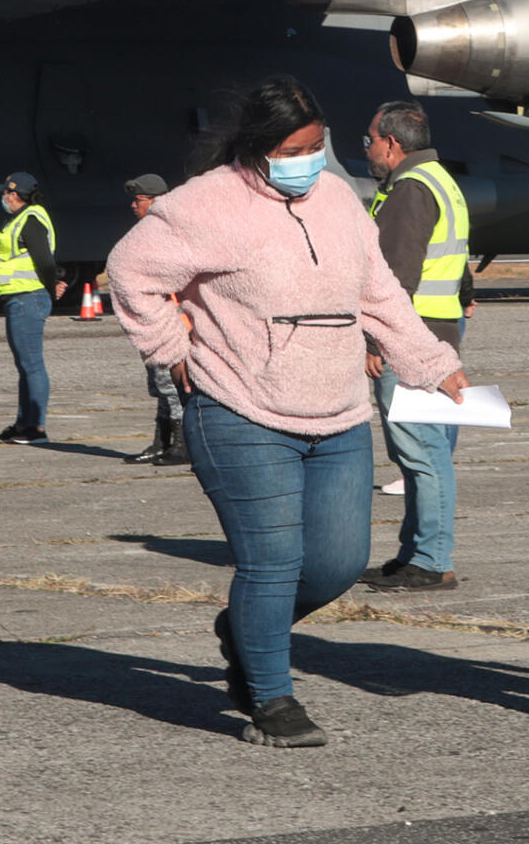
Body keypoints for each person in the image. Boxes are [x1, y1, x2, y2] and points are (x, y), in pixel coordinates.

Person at [106, 76, 467, 748]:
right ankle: (270, 697)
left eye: (318, 146)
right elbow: (130, 271)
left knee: (334, 563)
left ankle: (247, 629)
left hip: (335, 413)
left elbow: (381, 293)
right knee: (271, 560)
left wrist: (432, 362)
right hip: (239, 408)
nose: (310, 159)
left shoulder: (338, 200)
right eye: (296, 149)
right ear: (259, 149)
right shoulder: (206, 204)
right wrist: (170, 348)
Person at [360, 100, 472, 593]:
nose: (367, 149)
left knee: (421, 451)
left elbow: (394, 278)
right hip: (440, 330)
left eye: (370, 141)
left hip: (412, 338)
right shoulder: (441, 180)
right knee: (426, 451)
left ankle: (430, 558)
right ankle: (415, 552)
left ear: (392, 144)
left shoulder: (410, 190)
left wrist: (375, 339)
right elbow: (457, 258)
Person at [0, 171, 66, 444]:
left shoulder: (30, 219)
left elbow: (44, 260)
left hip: (27, 298)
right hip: (20, 299)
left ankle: (36, 428)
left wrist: (51, 287)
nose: (3, 198)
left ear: (15, 194)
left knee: (32, 365)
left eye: (6, 193)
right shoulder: (21, 218)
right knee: (25, 365)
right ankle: (24, 423)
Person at [122, 174, 188, 466]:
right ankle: (162, 442)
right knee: (160, 384)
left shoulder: (168, 233)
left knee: (173, 385)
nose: (133, 205)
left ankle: (183, 446)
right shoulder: (147, 232)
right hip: (151, 319)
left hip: (171, 319)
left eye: (139, 200)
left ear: (156, 200)